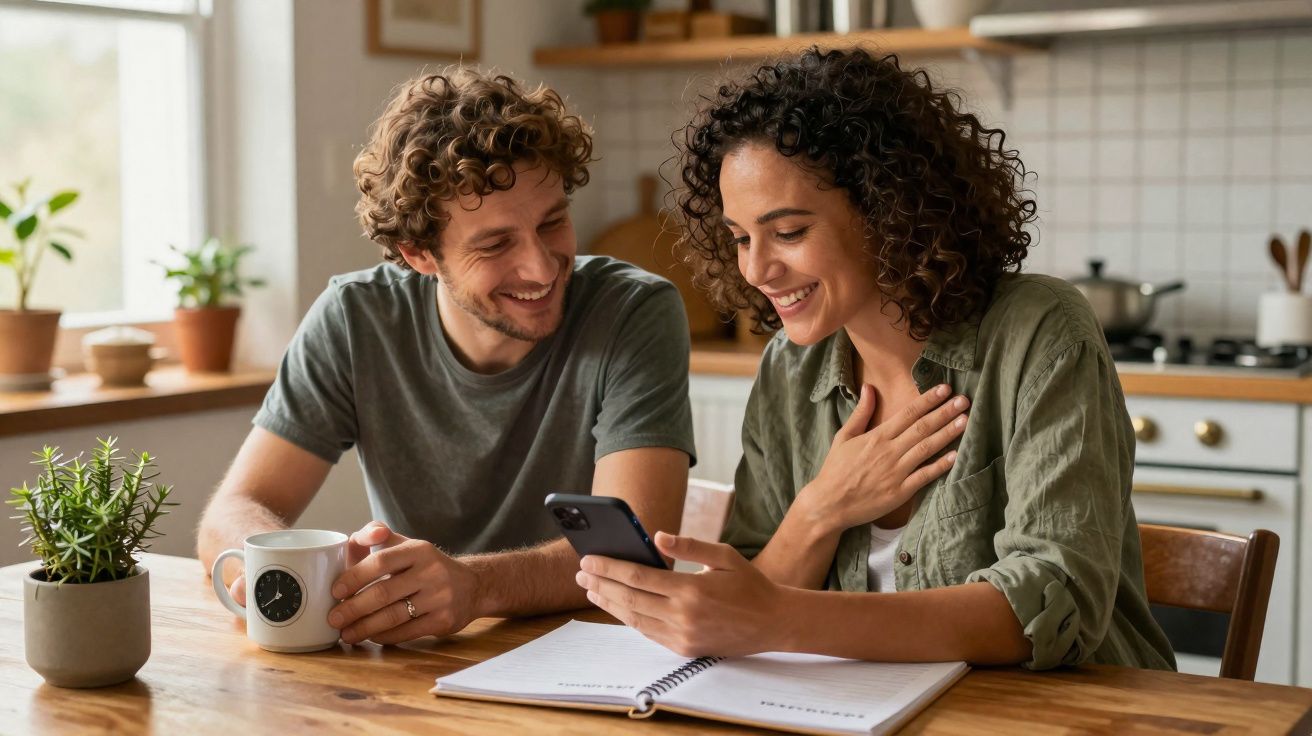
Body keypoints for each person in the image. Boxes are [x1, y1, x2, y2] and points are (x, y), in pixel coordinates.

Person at [575, 47, 1176, 671]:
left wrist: (783, 617)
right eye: (740, 238)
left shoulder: (1038, 333)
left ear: (889, 209)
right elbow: (748, 599)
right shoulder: (789, 368)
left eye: (788, 233)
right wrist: (820, 509)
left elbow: (1057, 603)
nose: (756, 269)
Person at [198, 68, 696, 646]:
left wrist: (474, 586)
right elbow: (237, 508)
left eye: (552, 222)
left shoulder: (633, 311)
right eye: (495, 244)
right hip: (419, 662)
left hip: (590, 655)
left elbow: (631, 548)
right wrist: (283, 573)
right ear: (418, 254)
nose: (541, 267)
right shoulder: (356, 320)